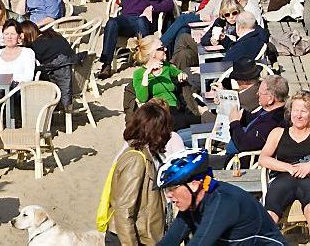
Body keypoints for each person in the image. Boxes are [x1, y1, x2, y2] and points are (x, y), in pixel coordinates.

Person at [156, 149, 285, 246]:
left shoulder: (223, 203)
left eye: (172, 188)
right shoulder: (193, 206)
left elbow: (199, 243)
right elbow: (169, 242)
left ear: (194, 184)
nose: (169, 195)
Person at [99, 0, 178, 79]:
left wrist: (152, 7)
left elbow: (169, 4)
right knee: (112, 22)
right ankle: (106, 64)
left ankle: (147, 60)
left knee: (142, 21)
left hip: (147, 22)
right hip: (128, 19)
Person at [103, 101, 169, 246]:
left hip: (141, 236)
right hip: (132, 238)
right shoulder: (136, 160)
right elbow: (124, 210)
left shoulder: (147, 154)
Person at [259, 89, 310, 225]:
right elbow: (263, 158)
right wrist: (287, 167)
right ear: (290, 111)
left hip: (308, 180)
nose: (298, 115)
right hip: (283, 178)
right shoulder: (278, 133)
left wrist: (308, 166)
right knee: (270, 213)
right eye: (295, 110)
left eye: (304, 111)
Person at [130, 37, 198, 130]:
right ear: (152, 54)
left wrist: (181, 75)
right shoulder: (139, 74)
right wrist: (146, 74)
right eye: (161, 48)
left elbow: (179, 72)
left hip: (175, 108)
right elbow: (142, 98)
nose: (165, 49)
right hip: (158, 113)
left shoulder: (166, 66)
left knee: (195, 120)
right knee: (190, 121)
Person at [222, 74, 289, 159]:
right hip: (235, 152)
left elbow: (244, 145)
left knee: (205, 162)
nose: (257, 94)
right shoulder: (271, 111)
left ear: (270, 99)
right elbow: (254, 118)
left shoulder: (271, 122)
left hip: (239, 162)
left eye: (260, 93)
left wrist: (234, 122)